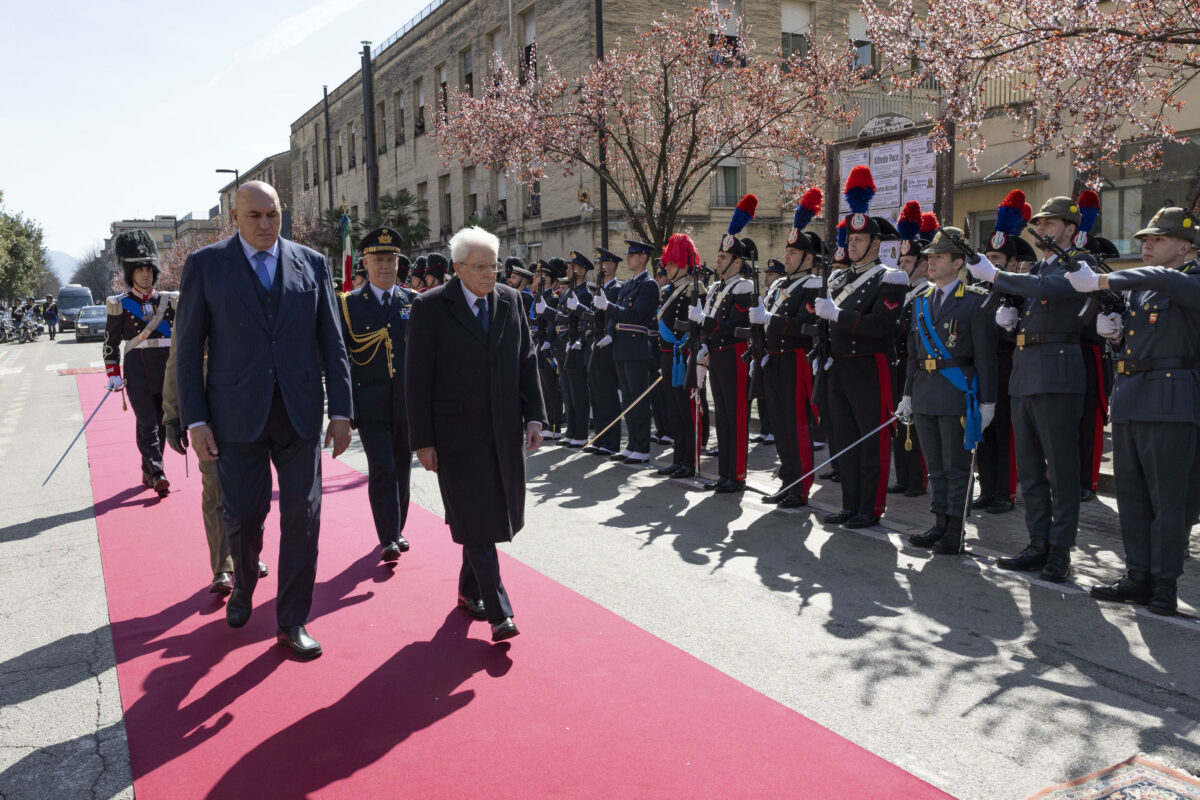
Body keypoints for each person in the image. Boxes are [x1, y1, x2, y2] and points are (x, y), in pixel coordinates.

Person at [175, 180, 353, 660]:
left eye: (272, 214)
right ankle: (244, 580)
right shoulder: (206, 266)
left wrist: (341, 410)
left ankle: (292, 619)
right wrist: (195, 420)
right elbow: (188, 350)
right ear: (234, 217)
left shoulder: (311, 264)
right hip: (234, 417)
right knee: (244, 515)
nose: (265, 225)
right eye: (254, 216)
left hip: (298, 415)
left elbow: (332, 343)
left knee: (304, 516)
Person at [405, 226, 546, 642]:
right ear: (458, 268)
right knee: (478, 520)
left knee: (485, 516)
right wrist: (423, 440)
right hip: (454, 435)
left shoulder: (511, 300)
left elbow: (527, 360)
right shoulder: (430, 308)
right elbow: (416, 380)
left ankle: (470, 591)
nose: (490, 274)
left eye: (494, 265)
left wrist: (535, 416)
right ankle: (500, 611)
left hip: (502, 430)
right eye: (481, 267)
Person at [1065, 207, 1200, 615]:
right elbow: (1138, 343)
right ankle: (1137, 575)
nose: (1146, 245)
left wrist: (1102, 279)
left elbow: (1164, 278)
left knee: (1168, 498)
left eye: (1158, 239)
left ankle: (1164, 582)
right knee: (1133, 496)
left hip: (1170, 400)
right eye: (1145, 239)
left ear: (1185, 246)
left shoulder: (1188, 280)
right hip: (1132, 395)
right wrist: (1116, 337)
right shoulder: (1141, 289)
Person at [966, 194, 1091, 582]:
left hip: (1056, 373)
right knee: (1032, 470)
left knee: (1062, 469)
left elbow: (1048, 290)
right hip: (1025, 373)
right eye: (1040, 223)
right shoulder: (1036, 267)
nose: (1042, 229)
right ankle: (1037, 543)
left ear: (1071, 229)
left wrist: (996, 276)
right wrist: (1011, 319)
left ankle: (1060, 550)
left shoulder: (1078, 266)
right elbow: (1034, 295)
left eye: (1050, 223)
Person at [815, 166, 908, 528]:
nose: (850, 245)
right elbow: (824, 324)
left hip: (870, 366)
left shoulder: (891, 278)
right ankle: (850, 503)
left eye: (858, 241)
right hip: (839, 366)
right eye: (849, 240)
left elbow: (884, 328)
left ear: (875, 243)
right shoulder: (837, 277)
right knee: (844, 438)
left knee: (872, 439)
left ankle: (871, 507)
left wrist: (838, 316)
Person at [898, 228, 998, 553]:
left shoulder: (974, 302)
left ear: (958, 263)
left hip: (957, 394)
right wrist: (908, 395)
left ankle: (956, 529)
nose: (931, 262)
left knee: (957, 467)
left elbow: (986, 357)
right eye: (930, 257)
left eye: (939, 257)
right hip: (926, 393)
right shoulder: (921, 302)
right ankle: (938, 522)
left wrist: (988, 403)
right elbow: (914, 355)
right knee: (935, 466)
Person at [338, 227, 417, 562]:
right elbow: (340, 360)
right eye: (379, 259)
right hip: (369, 405)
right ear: (365, 263)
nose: (386, 266)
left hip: (407, 405)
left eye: (391, 259)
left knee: (402, 470)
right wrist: (343, 409)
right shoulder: (349, 305)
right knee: (382, 467)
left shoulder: (413, 301)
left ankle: (397, 526)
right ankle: (388, 535)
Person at [753, 188, 823, 507]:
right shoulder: (781, 284)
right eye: (788, 251)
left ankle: (801, 484)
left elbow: (806, 328)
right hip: (774, 359)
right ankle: (787, 479)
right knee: (780, 425)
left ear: (808, 258)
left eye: (794, 253)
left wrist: (772, 320)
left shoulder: (811, 285)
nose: (788, 257)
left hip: (795, 360)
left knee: (796, 425)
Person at [972, 191, 1036, 515]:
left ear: (1011, 263)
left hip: (1007, 364)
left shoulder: (1020, 288)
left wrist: (1013, 327)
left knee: (1004, 429)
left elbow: (1024, 330)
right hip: (981, 365)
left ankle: (1005, 492)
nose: (992, 263)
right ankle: (987, 488)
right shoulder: (975, 288)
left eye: (998, 260)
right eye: (988, 258)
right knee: (983, 429)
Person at [689, 196, 758, 492]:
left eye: (722, 257)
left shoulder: (744, 287)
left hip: (735, 355)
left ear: (736, 262)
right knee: (723, 418)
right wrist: (705, 341)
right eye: (718, 256)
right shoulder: (717, 287)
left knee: (736, 415)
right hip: (717, 355)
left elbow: (736, 327)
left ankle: (737, 474)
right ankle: (725, 473)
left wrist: (705, 323)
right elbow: (714, 324)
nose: (717, 261)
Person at [103, 229, 177, 498]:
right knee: (148, 424)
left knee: (164, 424)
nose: (146, 274)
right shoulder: (119, 305)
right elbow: (111, 341)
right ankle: (158, 472)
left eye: (149, 269)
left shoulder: (169, 302)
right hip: (137, 373)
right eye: (140, 270)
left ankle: (148, 470)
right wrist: (112, 371)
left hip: (167, 373)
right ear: (130, 273)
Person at [594, 241, 660, 463]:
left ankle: (642, 447)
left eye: (632, 255)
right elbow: (617, 316)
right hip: (622, 346)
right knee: (628, 400)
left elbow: (636, 314)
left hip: (637, 346)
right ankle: (632, 443)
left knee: (638, 400)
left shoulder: (649, 285)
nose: (628, 258)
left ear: (643, 258)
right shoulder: (628, 285)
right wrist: (611, 332)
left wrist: (608, 307)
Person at [654, 234, 704, 479]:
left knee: (687, 411)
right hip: (668, 356)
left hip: (684, 355)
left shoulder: (694, 290)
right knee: (673, 410)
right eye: (668, 263)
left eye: (672, 263)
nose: (668, 267)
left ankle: (689, 461)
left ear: (684, 263)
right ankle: (677, 458)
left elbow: (695, 326)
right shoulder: (669, 290)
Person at [889, 201, 931, 498]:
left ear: (923, 265)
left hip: (915, 365)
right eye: (900, 262)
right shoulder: (901, 294)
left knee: (914, 426)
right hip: (896, 363)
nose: (901, 267)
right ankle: (903, 476)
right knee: (898, 422)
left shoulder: (926, 294)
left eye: (906, 263)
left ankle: (917, 479)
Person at [582, 247, 623, 457]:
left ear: (613, 266)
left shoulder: (616, 288)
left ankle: (611, 440)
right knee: (596, 394)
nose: (599, 267)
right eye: (598, 264)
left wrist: (609, 334)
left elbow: (614, 315)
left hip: (607, 346)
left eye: (603, 263)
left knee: (607, 394)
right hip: (594, 344)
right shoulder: (597, 289)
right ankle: (599, 436)